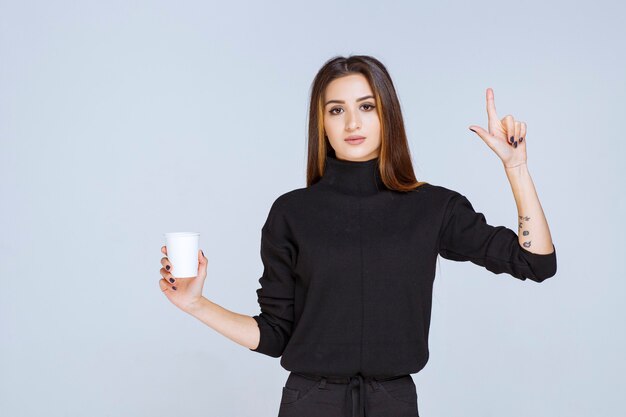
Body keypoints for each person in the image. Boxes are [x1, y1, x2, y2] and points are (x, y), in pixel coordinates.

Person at [158, 55, 557, 417]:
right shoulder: (292, 212)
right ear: (322, 123)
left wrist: (516, 167)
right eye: (337, 110)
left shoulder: (434, 207)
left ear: (387, 115)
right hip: (309, 403)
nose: (352, 123)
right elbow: (276, 334)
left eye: (366, 106)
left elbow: (535, 262)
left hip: (394, 402)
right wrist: (196, 305)